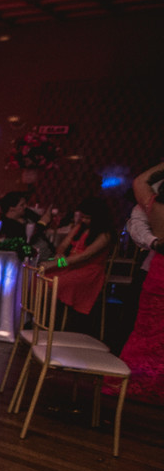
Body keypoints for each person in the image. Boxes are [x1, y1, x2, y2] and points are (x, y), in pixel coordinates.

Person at [112, 161, 164, 401]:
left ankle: (141, 381)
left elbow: (139, 182)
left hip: (158, 271)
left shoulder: (154, 206)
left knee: (147, 330)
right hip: (153, 271)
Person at [40, 195, 115, 320]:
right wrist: (59, 254)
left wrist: (56, 263)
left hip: (89, 271)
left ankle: (48, 320)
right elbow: (64, 244)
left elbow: (84, 256)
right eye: (83, 217)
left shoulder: (105, 235)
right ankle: (39, 317)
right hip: (70, 265)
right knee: (42, 277)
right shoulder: (80, 227)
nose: (84, 220)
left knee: (54, 283)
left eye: (88, 218)